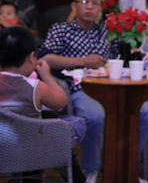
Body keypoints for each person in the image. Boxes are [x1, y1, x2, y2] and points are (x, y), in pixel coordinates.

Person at [37, 0, 148, 183]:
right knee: (94, 116)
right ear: (74, 6)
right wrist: (83, 61)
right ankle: (90, 169)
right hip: (82, 88)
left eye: (95, 3)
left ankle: (125, 167)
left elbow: (123, 54)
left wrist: (134, 48)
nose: (90, 7)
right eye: (85, 2)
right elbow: (45, 59)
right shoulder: (61, 29)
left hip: (113, 86)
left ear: (101, 9)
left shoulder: (108, 30)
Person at [0, 26, 86, 183]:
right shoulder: (36, 87)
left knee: (44, 120)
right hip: (28, 151)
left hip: (2, 149)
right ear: (31, 57)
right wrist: (46, 75)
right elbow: (60, 102)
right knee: (64, 126)